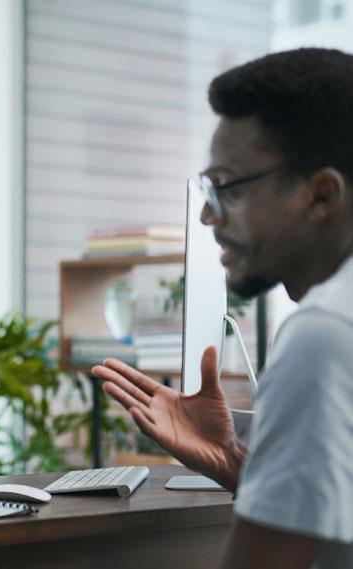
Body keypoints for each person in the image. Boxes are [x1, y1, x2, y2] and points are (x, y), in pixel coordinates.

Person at [93, 48, 353, 569]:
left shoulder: (323, 335)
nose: (209, 215)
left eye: (227, 188)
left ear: (321, 195)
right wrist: (238, 463)